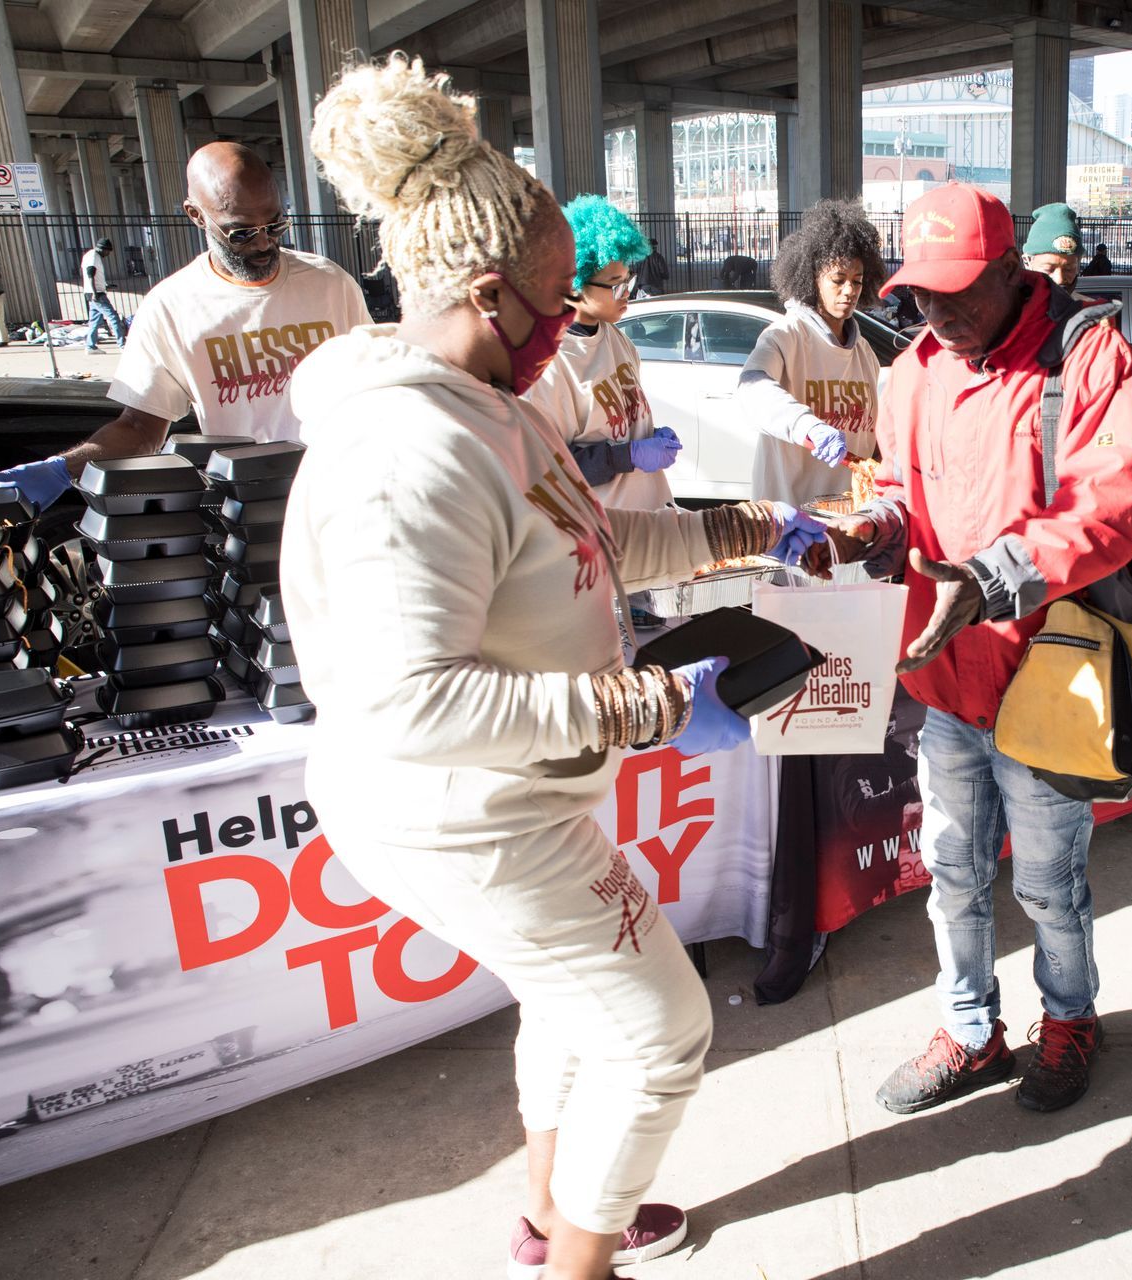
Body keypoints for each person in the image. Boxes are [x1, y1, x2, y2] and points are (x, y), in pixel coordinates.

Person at [281, 55, 828, 1280]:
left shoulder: (495, 403)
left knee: (576, 999)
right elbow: (409, 697)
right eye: (552, 300)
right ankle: (577, 1265)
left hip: (524, 792)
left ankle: (551, 1213)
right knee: (662, 1027)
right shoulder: (406, 448)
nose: (568, 325)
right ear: (486, 292)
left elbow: (591, 539)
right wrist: (640, 703)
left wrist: (737, 530)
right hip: (464, 814)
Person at [809, 184, 1132, 1114]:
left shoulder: (1085, 357)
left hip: (1046, 677)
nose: (938, 310)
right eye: (921, 292)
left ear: (1011, 270)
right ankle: (970, 1031)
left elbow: (1110, 515)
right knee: (950, 873)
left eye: (960, 289)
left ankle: (1070, 1018)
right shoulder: (913, 369)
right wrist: (868, 528)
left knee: (1049, 882)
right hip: (944, 680)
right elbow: (900, 494)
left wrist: (991, 579)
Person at [0, 141, 371, 511]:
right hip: (250, 508)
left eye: (275, 225)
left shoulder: (329, 284)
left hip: (347, 494)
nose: (262, 244)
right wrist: (61, 468)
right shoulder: (171, 307)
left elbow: (378, 389)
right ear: (196, 215)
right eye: (241, 232)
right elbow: (141, 429)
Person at [524, 195, 681, 511]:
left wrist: (649, 433)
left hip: (653, 518)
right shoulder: (548, 364)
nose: (628, 295)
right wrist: (628, 455)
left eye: (629, 281)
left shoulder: (617, 339)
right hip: (606, 535)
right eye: (616, 285)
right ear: (573, 285)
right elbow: (548, 472)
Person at [738, 198, 885, 506]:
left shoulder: (865, 354)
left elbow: (873, 438)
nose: (849, 291)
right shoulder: (785, 336)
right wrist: (808, 426)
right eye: (838, 280)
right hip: (788, 517)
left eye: (857, 281)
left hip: (846, 520)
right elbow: (753, 388)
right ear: (812, 277)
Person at [79, 237, 129, 352]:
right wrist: (95, 292)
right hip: (97, 294)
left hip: (91, 292)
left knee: (95, 321)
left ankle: (90, 346)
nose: (107, 254)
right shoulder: (93, 257)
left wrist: (105, 286)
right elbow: (90, 273)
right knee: (114, 318)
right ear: (103, 249)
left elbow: (92, 276)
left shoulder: (89, 255)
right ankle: (122, 344)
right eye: (108, 251)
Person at [1021, 202, 1085, 290]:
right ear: (1027, 262)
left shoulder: (1089, 304)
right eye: (1048, 269)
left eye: (1069, 269)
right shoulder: (1005, 303)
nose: (1059, 280)